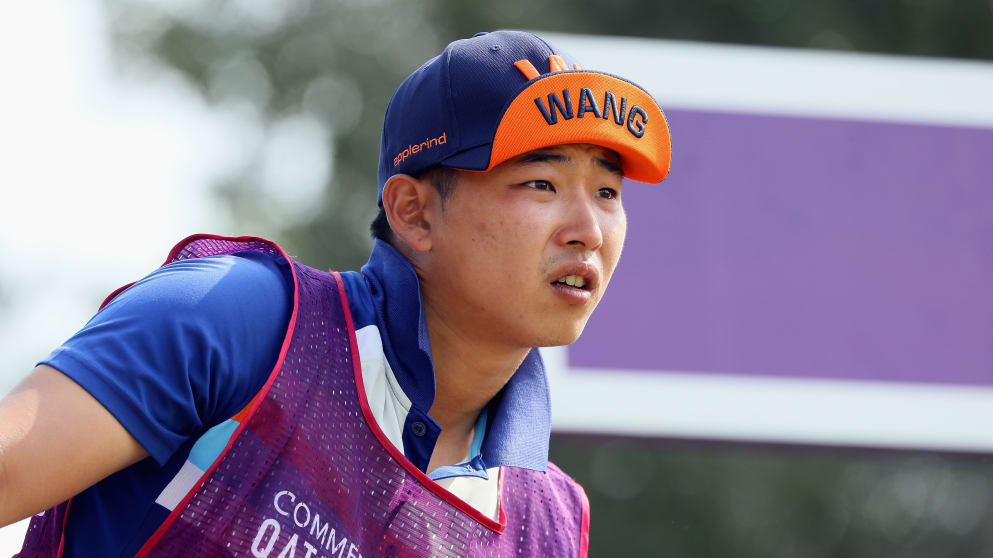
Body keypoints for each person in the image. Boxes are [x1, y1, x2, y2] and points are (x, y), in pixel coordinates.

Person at [0, 30, 670, 557]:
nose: (588, 230)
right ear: (413, 213)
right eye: (541, 185)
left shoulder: (548, 522)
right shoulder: (241, 317)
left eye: (607, 193)